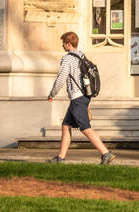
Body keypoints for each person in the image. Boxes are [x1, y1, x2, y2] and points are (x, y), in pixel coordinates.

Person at [46, 31, 114, 165]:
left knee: (85, 128)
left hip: (77, 98)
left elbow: (61, 78)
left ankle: (106, 153)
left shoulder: (67, 59)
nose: (62, 46)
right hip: (83, 96)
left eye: (63, 43)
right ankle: (60, 158)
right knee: (66, 126)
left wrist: (52, 94)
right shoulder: (82, 56)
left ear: (68, 44)